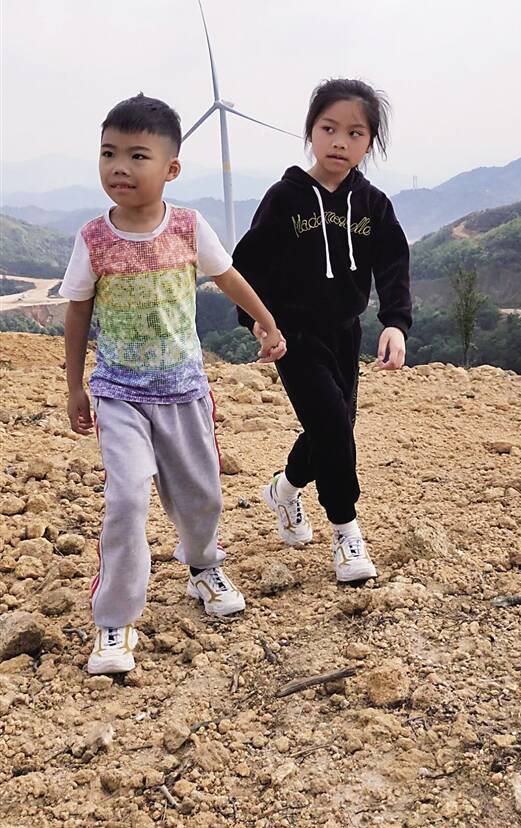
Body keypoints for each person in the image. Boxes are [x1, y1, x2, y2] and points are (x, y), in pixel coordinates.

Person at [60, 93, 286, 675]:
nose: (120, 167)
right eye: (109, 153)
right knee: (127, 497)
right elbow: (78, 311)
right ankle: (114, 620)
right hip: (119, 393)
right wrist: (75, 386)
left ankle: (203, 565)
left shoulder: (188, 226)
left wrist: (265, 321)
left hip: (184, 391)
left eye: (138, 156)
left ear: (172, 168)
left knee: (200, 495)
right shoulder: (93, 239)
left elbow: (227, 276)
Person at [233, 78, 411, 585]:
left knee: (333, 428)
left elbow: (393, 264)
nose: (340, 142)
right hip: (293, 335)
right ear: (310, 131)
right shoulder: (284, 198)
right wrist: (258, 322)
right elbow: (248, 265)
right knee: (332, 423)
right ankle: (346, 531)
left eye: (355, 133)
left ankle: (284, 490)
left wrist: (395, 323)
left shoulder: (373, 204)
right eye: (329, 128)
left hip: (346, 333)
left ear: (369, 143)